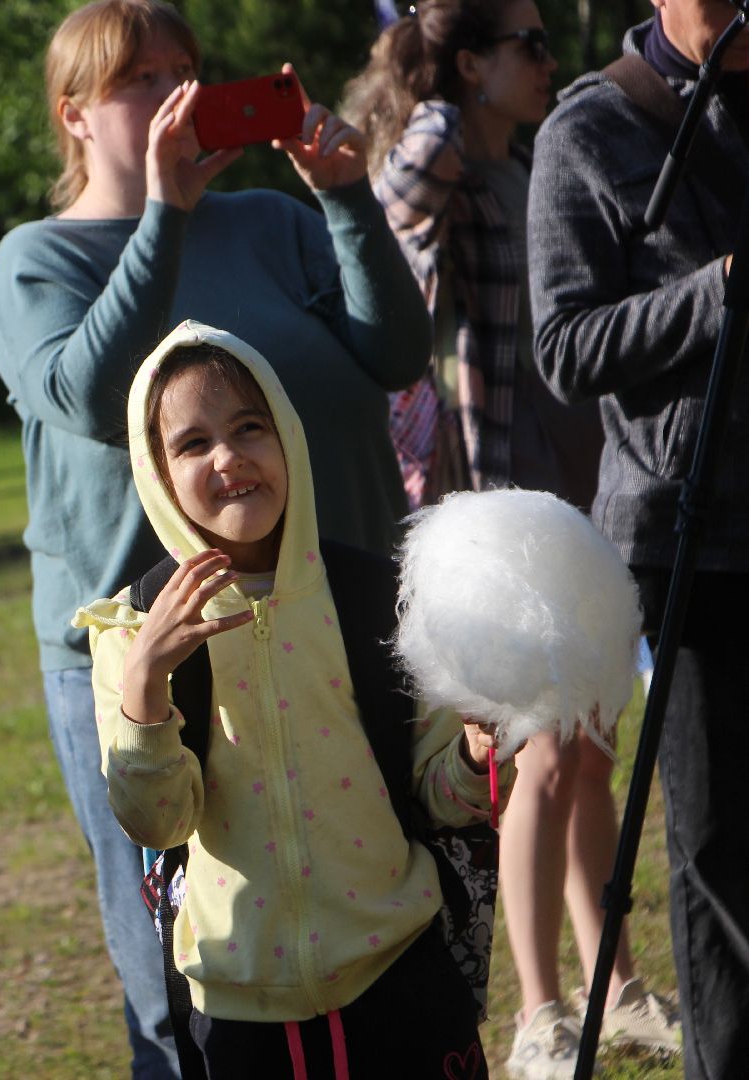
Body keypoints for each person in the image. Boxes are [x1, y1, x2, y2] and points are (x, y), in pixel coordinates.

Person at [0, 1, 430, 1071]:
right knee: (189, 977)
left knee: (380, 930)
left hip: (330, 615)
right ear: (75, 115)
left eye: (188, 69)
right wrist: (163, 215)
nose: (176, 93)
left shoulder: (275, 224)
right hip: (152, 657)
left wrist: (344, 196)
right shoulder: (35, 260)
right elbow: (93, 396)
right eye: (142, 79)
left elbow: (398, 352)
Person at [344, 6, 680, 1076]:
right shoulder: (440, 150)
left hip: (574, 488)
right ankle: (539, 1011)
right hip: (488, 505)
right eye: (526, 43)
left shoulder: (536, 158)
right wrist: (441, 103)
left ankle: (613, 982)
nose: (549, 61)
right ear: (472, 61)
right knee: (535, 759)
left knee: (588, 747)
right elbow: (385, 212)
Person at [76, 319, 510, 1075]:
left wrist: (473, 756)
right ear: (156, 472)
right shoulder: (132, 629)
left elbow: (438, 799)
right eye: (192, 443)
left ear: (290, 437)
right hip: (240, 1010)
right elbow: (157, 820)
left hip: (399, 979)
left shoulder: (384, 600)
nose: (229, 458)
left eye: (251, 427)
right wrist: (147, 684)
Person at [529, 2, 749, 1077]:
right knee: (720, 853)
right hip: (693, 540)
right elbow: (564, 347)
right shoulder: (593, 130)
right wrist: (715, 297)